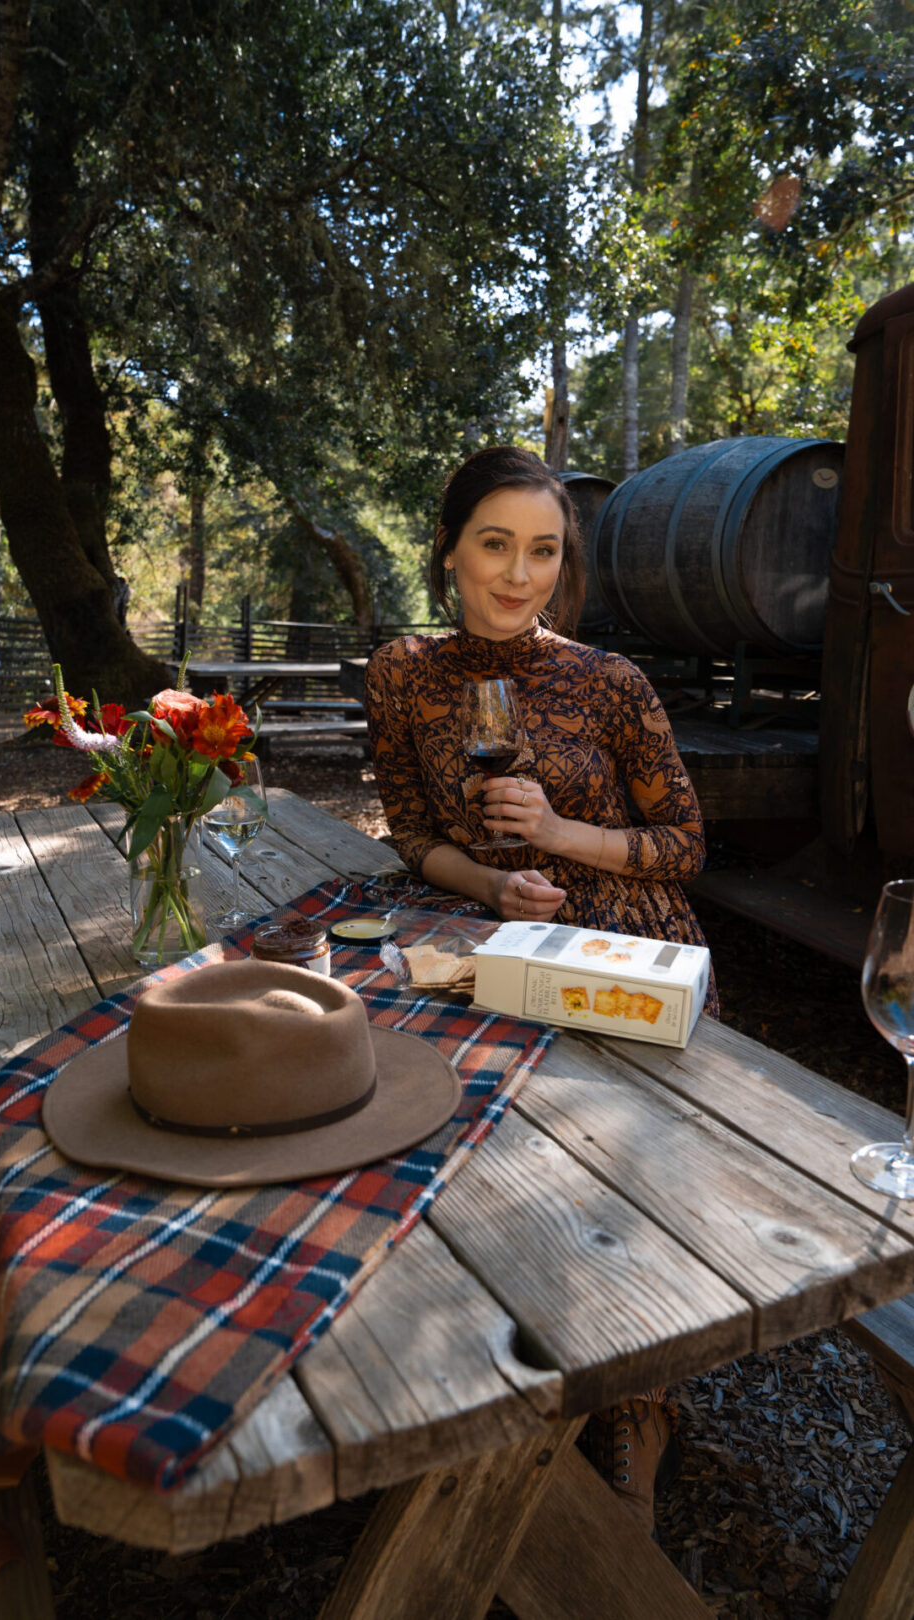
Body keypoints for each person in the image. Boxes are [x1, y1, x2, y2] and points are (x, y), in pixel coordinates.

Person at [363, 443, 718, 1532]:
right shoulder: (402, 672)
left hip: (625, 946)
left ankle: (637, 1408)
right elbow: (415, 833)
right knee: (444, 1157)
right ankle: (475, 1367)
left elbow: (685, 846)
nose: (521, 575)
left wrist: (562, 833)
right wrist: (490, 879)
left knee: (617, 1179)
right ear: (449, 552)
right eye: (496, 545)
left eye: (545, 552)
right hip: (493, 942)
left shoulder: (612, 682)